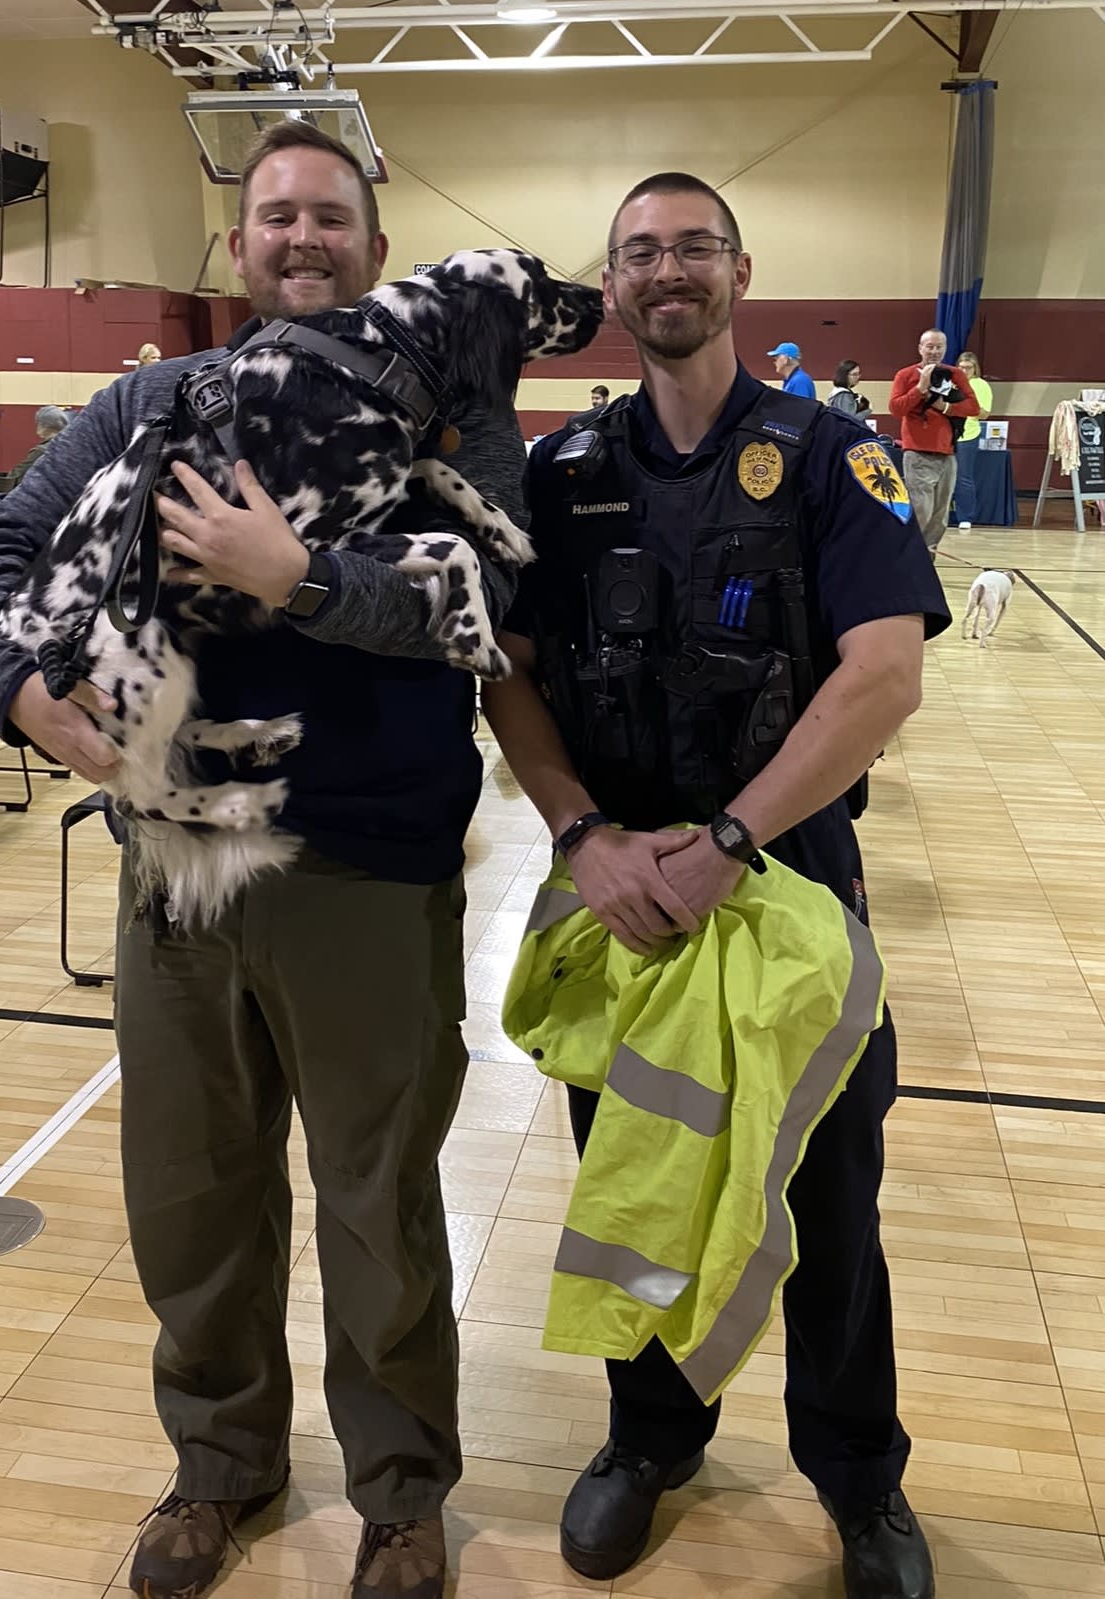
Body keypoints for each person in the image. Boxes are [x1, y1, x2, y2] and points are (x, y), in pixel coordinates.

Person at [0, 119, 528, 1599]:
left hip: (364, 866)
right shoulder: (152, 399)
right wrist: (21, 691)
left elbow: (491, 603)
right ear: (238, 246)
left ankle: (401, 1493)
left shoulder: (446, 415)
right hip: (176, 870)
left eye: (329, 218)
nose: (301, 237)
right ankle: (219, 1464)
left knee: (377, 1203)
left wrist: (307, 579)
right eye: (275, 215)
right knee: (193, 1193)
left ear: (375, 250)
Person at [481, 170, 948, 1598]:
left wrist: (729, 839)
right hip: (621, 897)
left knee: (826, 1203)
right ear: (610, 288)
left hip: (785, 884)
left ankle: (860, 1480)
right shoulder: (560, 478)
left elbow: (883, 672)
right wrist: (581, 837)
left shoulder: (827, 455)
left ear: (738, 270)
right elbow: (509, 677)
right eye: (639, 252)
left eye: (691, 245)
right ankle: (648, 1438)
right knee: (640, 1185)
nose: (665, 268)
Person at [889, 330, 978, 557]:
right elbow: (896, 408)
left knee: (940, 515)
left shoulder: (955, 374)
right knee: (921, 510)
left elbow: (973, 407)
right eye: (929, 346)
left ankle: (927, 557)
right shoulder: (905, 375)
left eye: (939, 347)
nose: (934, 351)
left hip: (947, 453)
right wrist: (920, 388)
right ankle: (908, 556)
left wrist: (946, 407)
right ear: (920, 348)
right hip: (917, 452)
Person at [954, 351, 993, 530]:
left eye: (968, 368)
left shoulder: (980, 385)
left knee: (964, 477)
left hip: (968, 435)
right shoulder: (952, 383)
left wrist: (961, 408)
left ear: (975, 368)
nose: (964, 371)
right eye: (961, 367)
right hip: (947, 434)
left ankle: (965, 516)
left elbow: (983, 414)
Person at [6, 404, 69, 490]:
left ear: (46, 425)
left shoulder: (41, 451)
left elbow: (15, 476)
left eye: (39, 423)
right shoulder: (69, 445)